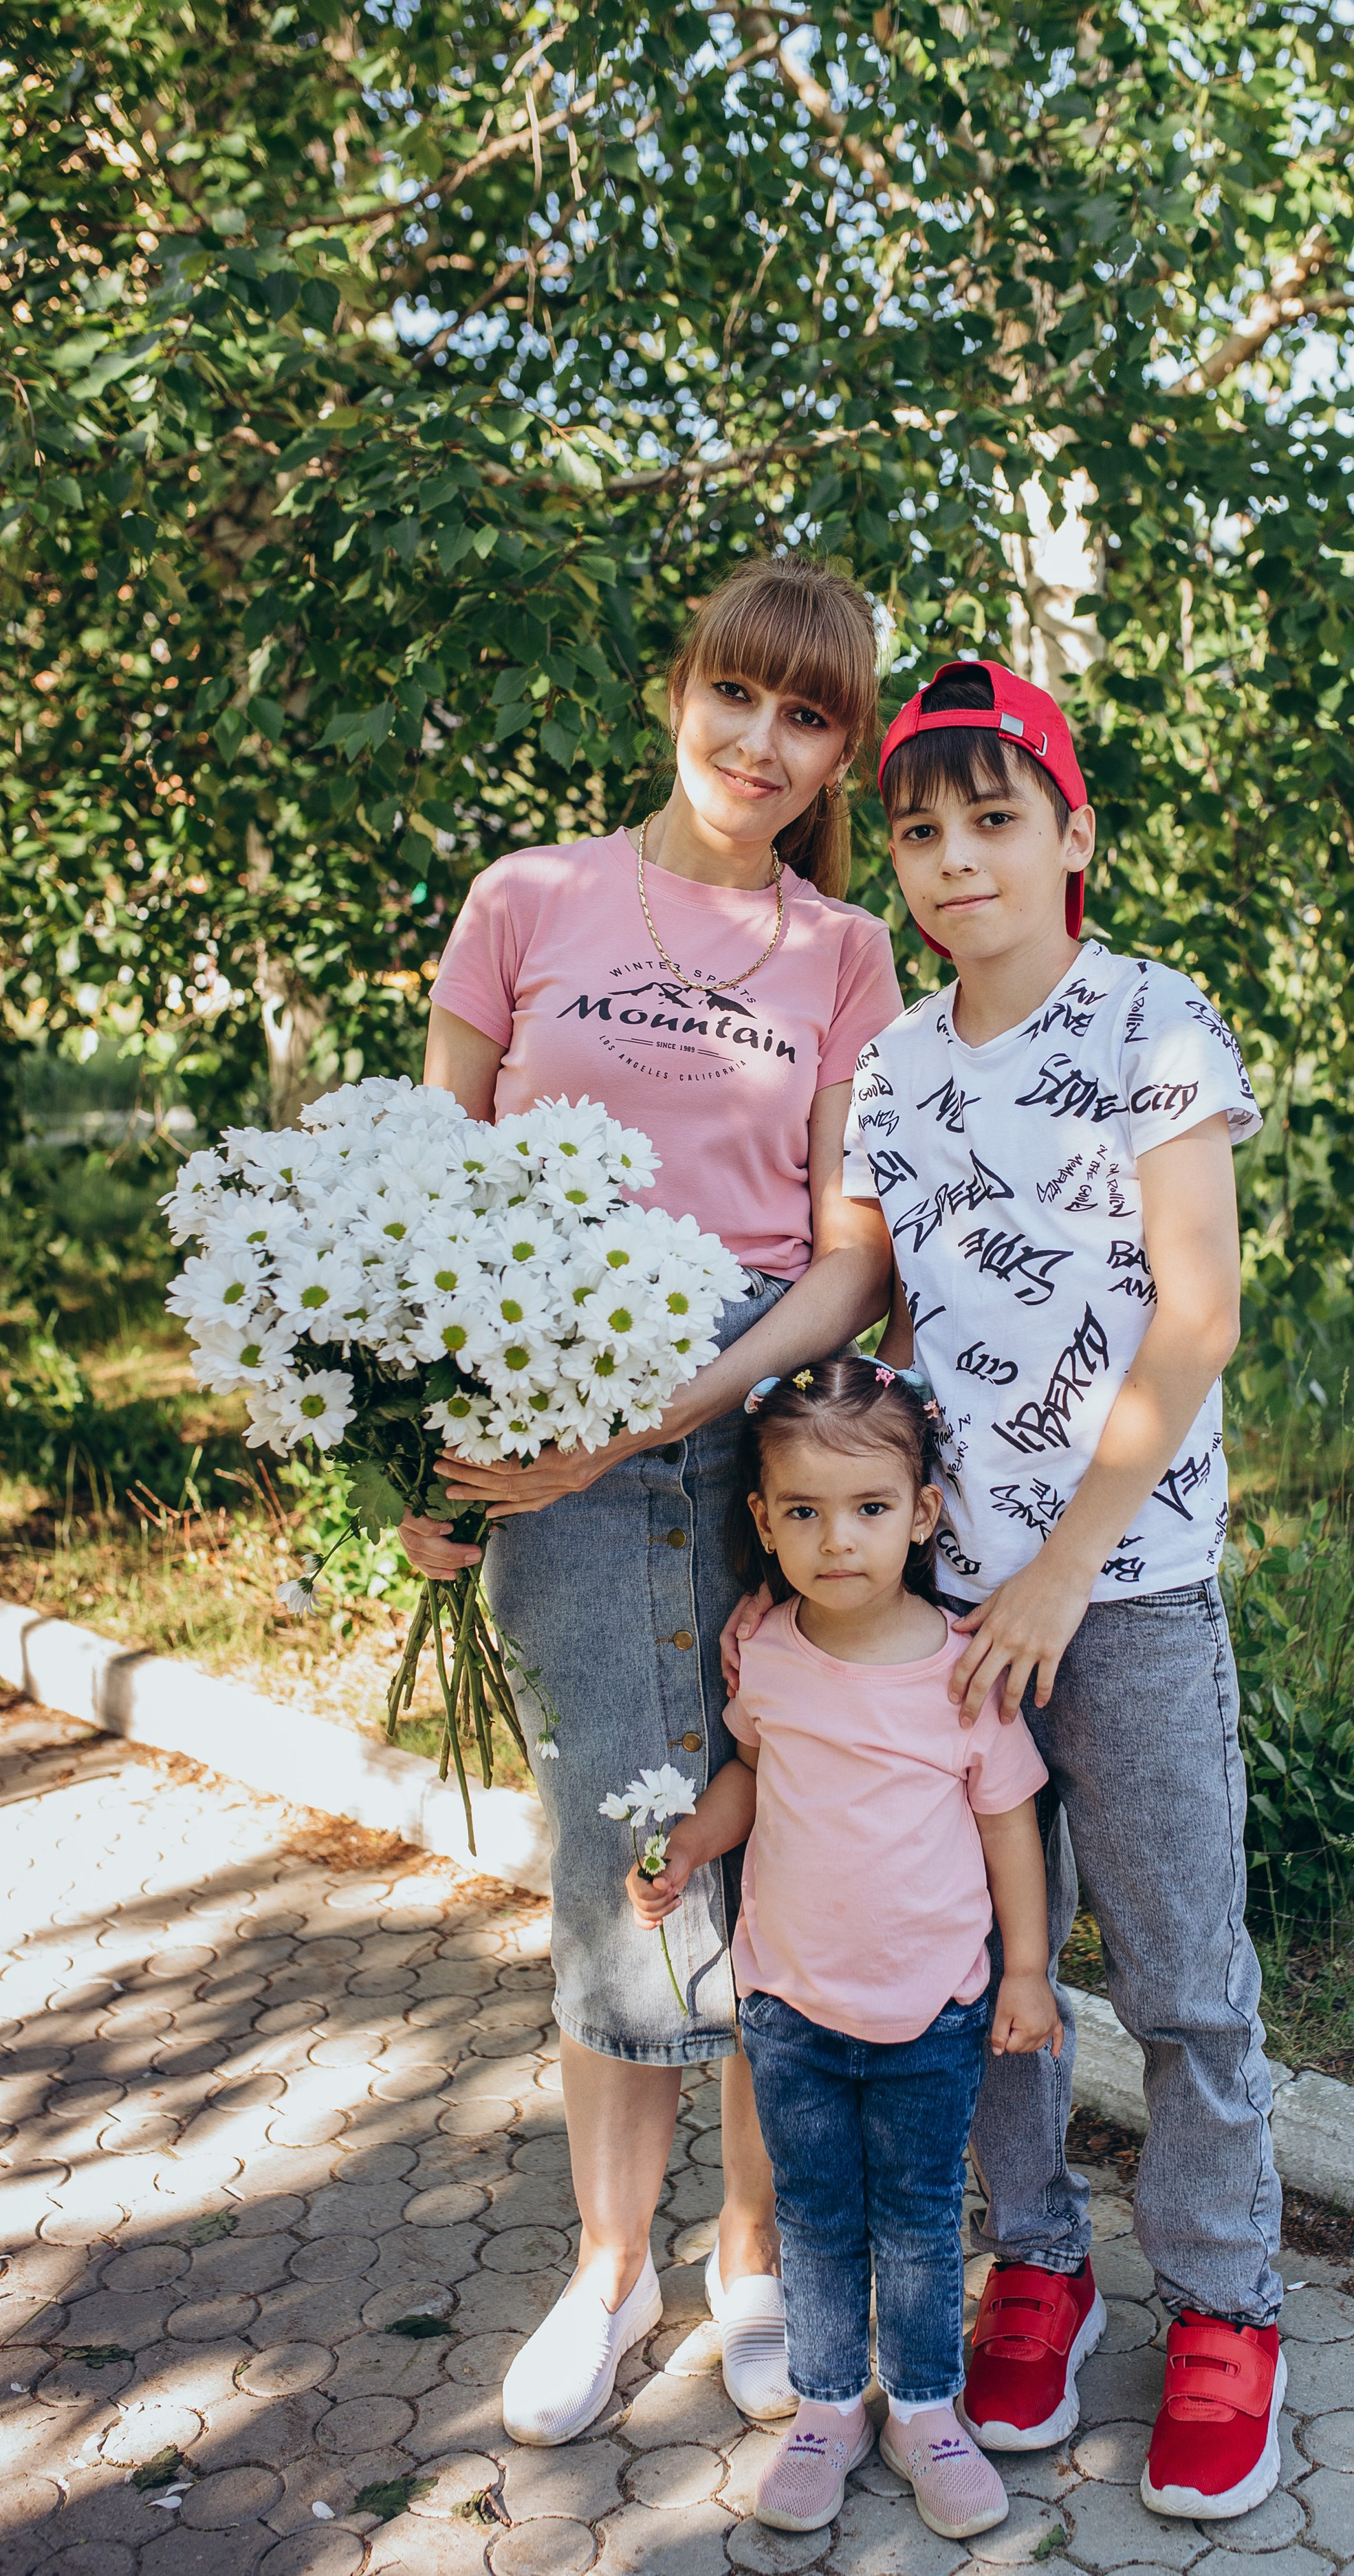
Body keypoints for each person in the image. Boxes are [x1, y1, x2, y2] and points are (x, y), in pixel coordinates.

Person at [402, 558, 902, 2445]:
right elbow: (415, 1216)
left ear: (838, 747)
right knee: (616, 1843)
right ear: (675, 688)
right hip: (550, 1453)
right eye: (739, 695)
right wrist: (426, 1465)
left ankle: (751, 2255)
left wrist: (660, 1412)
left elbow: (849, 1261)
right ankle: (610, 2269)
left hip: (765, 1445)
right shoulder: (528, 900)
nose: (762, 744)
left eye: (809, 717)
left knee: (776, 1851)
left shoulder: (844, 955)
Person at [841, 657, 1285, 2520]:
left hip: (1132, 1590)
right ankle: (1038, 2258)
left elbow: (1199, 1315)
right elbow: (848, 1307)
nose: (955, 863)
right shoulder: (889, 1066)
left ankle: (1226, 2303)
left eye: (994, 821)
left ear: (1073, 835)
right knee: (982, 1973)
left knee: (1183, 1979)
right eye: (921, 834)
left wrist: (1061, 1571)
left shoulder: (1152, 1024)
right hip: (948, 1610)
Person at [631, 1357, 1057, 2538]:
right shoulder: (763, 1651)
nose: (838, 1541)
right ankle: (829, 2406)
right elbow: (750, 1777)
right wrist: (685, 1849)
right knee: (817, 2216)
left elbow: (1008, 1822)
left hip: (933, 2008)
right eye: (805, 1514)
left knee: (917, 2218)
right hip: (790, 2007)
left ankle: (925, 2406)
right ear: (762, 1522)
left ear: (922, 1516)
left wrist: (1026, 1969)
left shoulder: (962, 1670)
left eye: (870, 1511)